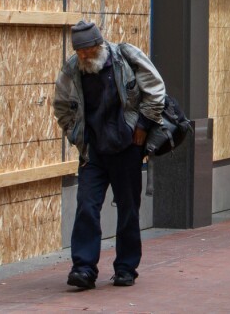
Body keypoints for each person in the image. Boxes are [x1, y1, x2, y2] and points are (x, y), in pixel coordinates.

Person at [53, 21, 165, 289]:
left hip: (127, 148)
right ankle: (83, 268)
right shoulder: (72, 69)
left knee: (128, 210)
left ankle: (126, 268)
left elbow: (156, 90)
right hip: (93, 152)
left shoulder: (125, 55)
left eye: (87, 51)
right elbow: (61, 106)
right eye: (79, 52)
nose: (83, 57)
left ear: (98, 44)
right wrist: (75, 135)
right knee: (86, 206)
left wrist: (143, 126)